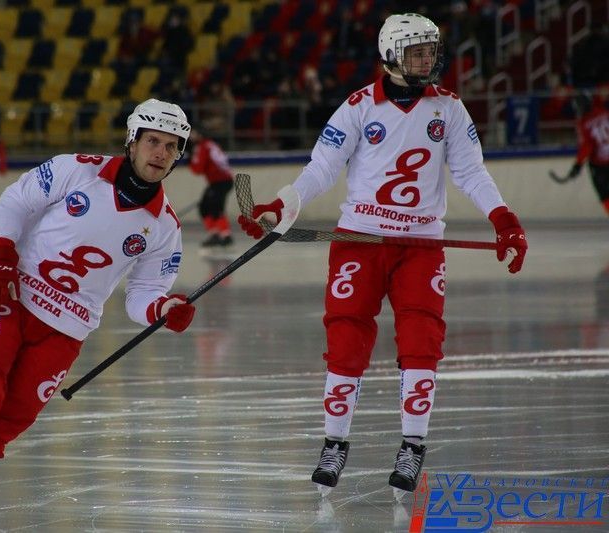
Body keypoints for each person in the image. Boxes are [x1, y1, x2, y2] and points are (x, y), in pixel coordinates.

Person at [238, 13, 528, 495]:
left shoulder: (450, 109)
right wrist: (282, 204)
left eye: (430, 50)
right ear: (392, 55)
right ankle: (334, 443)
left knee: (421, 341)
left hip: (420, 246)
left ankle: (413, 446)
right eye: (417, 51)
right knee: (346, 340)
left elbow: (472, 173)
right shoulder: (356, 107)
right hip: (361, 241)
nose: (428, 59)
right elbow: (323, 167)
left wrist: (504, 218)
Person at [0, 98, 197, 532]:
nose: (161, 153)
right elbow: (15, 201)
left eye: (172, 147)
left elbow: (144, 293)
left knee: (5, 425)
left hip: (64, 333)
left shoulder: (165, 227)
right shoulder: (77, 168)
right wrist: (0, 253)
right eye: (152, 141)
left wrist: (162, 308)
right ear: (131, 140)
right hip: (10, 295)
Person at [562, 93, 609, 214]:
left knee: (605, 194)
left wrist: (577, 165)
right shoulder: (604, 112)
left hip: (600, 165)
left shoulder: (584, 122)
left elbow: (587, 146)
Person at [188, 126, 234, 248]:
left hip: (219, 181)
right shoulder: (210, 144)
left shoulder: (202, 146)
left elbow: (198, 169)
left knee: (214, 208)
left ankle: (225, 235)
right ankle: (216, 234)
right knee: (205, 206)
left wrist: (189, 159)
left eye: (193, 133)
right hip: (222, 181)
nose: (191, 136)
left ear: (200, 134)